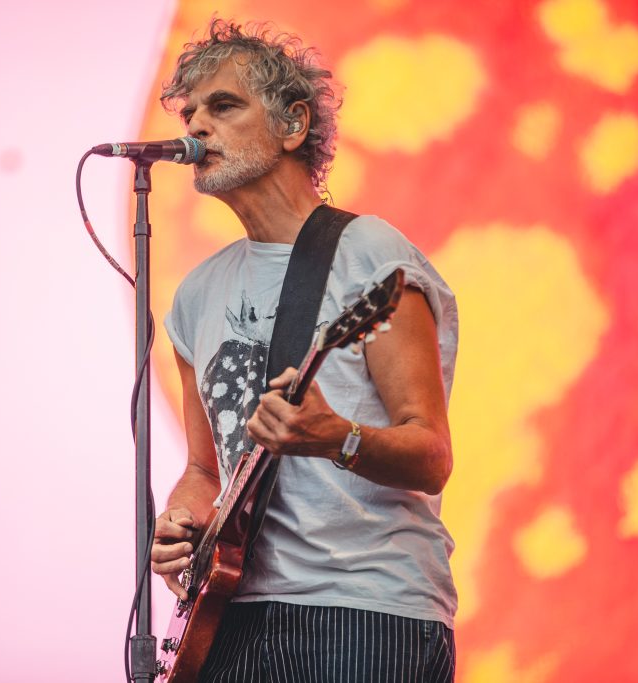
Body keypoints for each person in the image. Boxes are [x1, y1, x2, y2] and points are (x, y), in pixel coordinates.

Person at [152, 19, 459, 682]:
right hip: (227, 613)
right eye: (190, 111)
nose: (197, 126)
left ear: (292, 125)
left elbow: (431, 454)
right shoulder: (197, 294)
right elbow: (206, 470)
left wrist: (335, 437)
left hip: (363, 606)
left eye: (224, 105)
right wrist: (181, 519)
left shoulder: (369, 253)